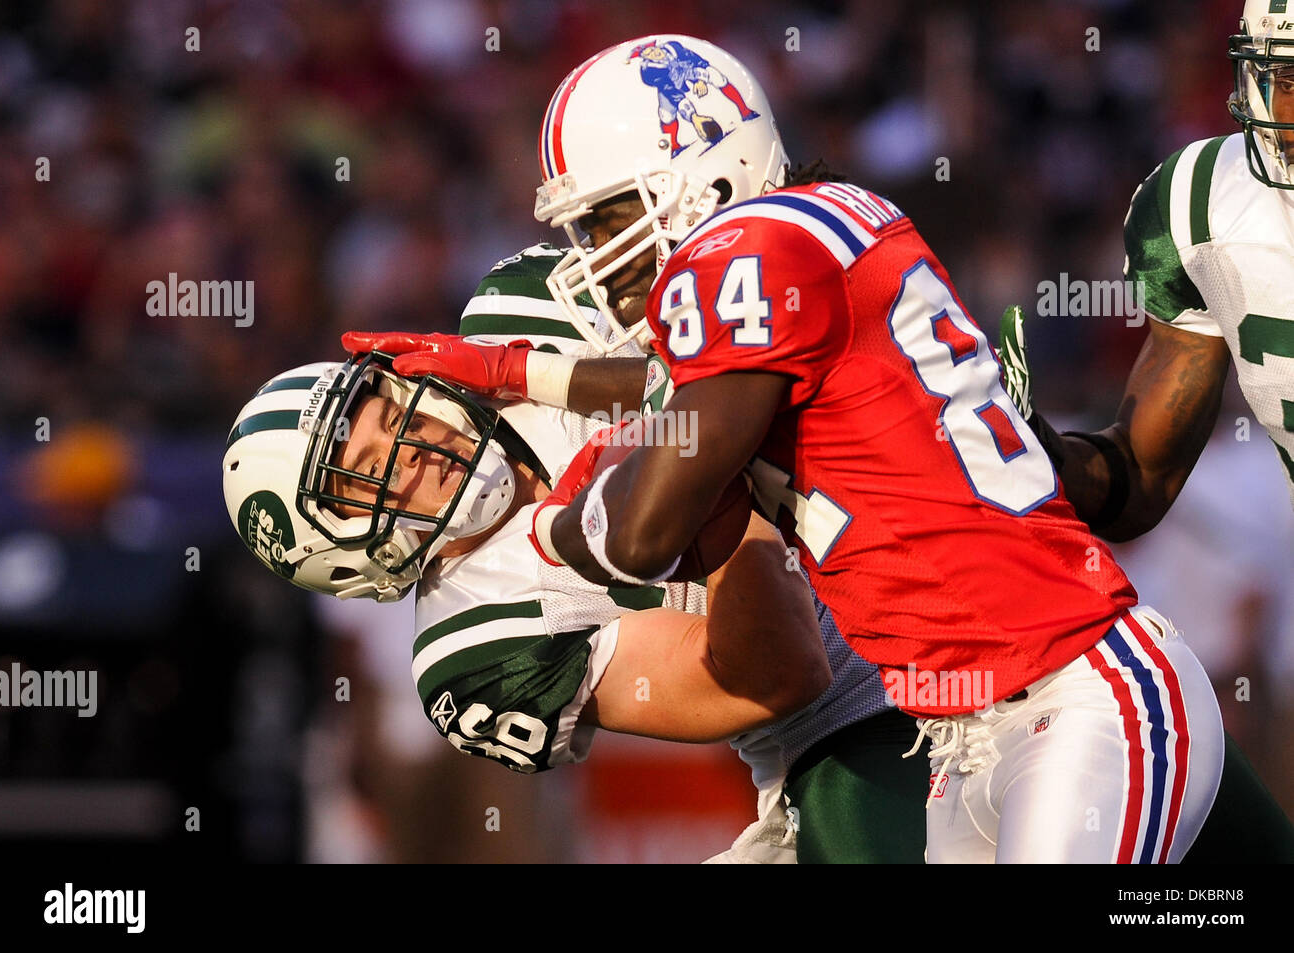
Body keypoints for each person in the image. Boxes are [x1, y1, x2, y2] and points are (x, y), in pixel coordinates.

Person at [497, 34, 1222, 863]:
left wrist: (556, 519)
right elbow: (679, 400)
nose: (595, 254)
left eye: (606, 214)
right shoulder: (806, 235)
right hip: (962, 740)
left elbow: (642, 534)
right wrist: (519, 373)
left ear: (697, 170)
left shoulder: (750, 250)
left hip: (1079, 691)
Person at [225, 247, 928, 863]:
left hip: (919, 497)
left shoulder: (516, 311)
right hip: (867, 702)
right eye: (367, 472)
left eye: (386, 410)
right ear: (344, 554)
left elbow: (766, 310)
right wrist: (706, 490)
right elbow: (780, 676)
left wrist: (536, 375)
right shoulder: (473, 647)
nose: (412, 447)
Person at [992, 0, 1294, 861]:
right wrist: (1035, 453)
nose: (1283, 113)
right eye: (1279, 80)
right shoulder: (1206, 203)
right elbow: (1141, 479)